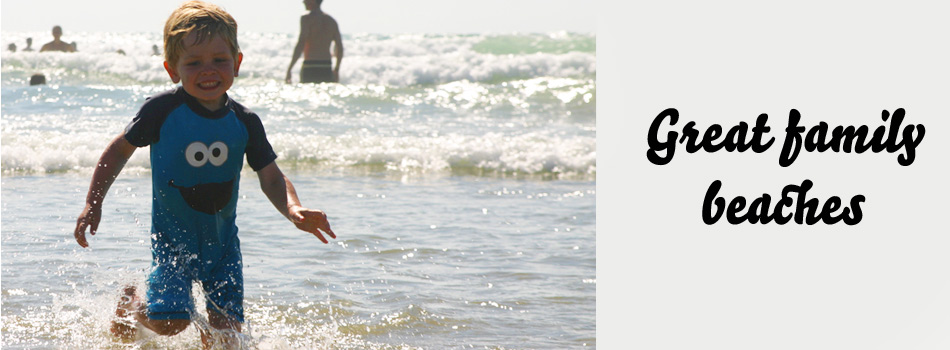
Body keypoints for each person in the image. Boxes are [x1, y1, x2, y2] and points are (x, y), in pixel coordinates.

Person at [72, 1, 337, 347]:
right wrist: (93, 203)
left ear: (237, 63)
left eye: (219, 60)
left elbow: (271, 175)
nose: (207, 70)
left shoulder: (244, 121)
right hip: (172, 247)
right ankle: (132, 301)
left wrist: (293, 209)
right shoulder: (162, 111)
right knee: (170, 322)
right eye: (194, 63)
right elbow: (119, 150)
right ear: (172, 69)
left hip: (223, 249)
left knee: (226, 337)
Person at [285, 0, 343, 83]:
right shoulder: (332, 21)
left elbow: (301, 43)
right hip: (326, 66)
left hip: (310, 65)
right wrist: (336, 69)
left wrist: (290, 68)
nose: (303, 2)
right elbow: (339, 47)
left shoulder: (306, 18)